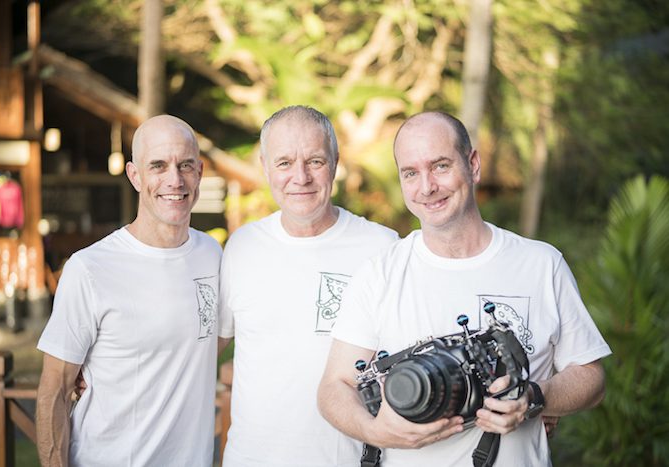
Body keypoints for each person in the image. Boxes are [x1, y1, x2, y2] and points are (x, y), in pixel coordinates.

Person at [317, 111, 611, 466]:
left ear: (473, 165)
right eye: (411, 173)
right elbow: (334, 387)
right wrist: (375, 431)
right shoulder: (380, 274)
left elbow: (591, 378)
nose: (426, 187)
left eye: (440, 166)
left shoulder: (541, 264)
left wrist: (535, 396)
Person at [36, 115, 223, 467]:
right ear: (135, 176)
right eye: (158, 166)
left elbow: (211, 336)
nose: (175, 179)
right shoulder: (90, 268)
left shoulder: (211, 255)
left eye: (185, 165)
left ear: (199, 172)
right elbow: (53, 392)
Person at [217, 105, 399, 466]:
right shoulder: (242, 246)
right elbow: (204, 348)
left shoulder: (383, 248)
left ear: (335, 162)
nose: (300, 177)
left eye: (314, 161)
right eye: (284, 163)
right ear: (265, 166)